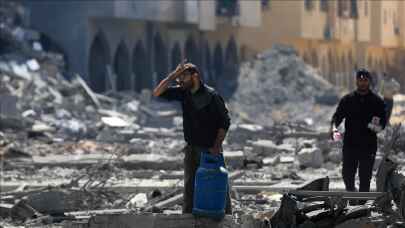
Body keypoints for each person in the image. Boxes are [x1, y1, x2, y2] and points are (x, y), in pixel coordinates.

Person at [153, 62, 232, 214]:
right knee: (190, 186)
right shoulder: (184, 92)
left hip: (210, 149)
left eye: (183, 77)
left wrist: (216, 145)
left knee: (217, 183)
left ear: (195, 76)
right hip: (191, 148)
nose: (180, 81)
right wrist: (172, 76)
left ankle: (225, 217)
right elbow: (157, 92)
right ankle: (189, 218)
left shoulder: (211, 96)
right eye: (178, 79)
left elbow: (225, 121)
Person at [330, 69, 386, 197]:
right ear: (356, 81)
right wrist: (335, 132)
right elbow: (337, 118)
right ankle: (352, 197)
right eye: (360, 80)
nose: (362, 83)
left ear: (369, 82)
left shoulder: (377, 101)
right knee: (347, 175)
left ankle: (362, 206)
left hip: (368, 145)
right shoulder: (347, 100)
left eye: (365, 80)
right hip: (350, 144)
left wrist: (373, 126)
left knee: (365, 178)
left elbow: (382, 123)